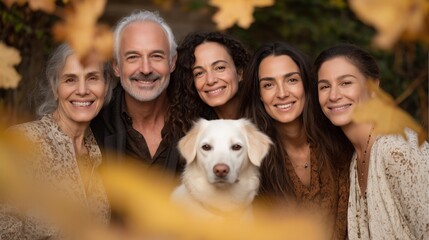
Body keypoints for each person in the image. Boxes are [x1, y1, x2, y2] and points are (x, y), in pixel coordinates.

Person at [314, 43, 429, 239]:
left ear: (374, 86)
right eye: (324, 86)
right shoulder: (355, 157)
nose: (333, 95)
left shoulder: (397, 150)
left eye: (346, 83)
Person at [240, 42, 353, 239]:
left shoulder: (341, 139)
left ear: (306, 84)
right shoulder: (250, 161)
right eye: (268, 85)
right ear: (259, 94)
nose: (282, 93)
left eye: (291, 80)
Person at [0, 43, 113, 238]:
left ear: (106, 86)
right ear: (55, 88)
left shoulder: (99, 151)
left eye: (92, 78)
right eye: (70, 79)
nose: (83, 90)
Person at [90, 10, 182, 173]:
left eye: (156, 56)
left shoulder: (195, 122)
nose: (145, 69)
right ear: (116, 66)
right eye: (133, 57)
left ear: (172, 62)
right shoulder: (93, 124)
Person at [168, 31, 250, 137]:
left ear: (239, 72)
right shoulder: (191, 131)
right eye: (199, 73)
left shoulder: (267, 120)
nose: (210, 80)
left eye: (220, 68)